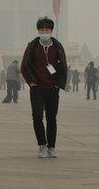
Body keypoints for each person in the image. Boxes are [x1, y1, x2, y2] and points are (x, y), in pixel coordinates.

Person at [21, 17, 68, 159]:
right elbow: (25, 66)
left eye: (47, 30)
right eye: (41, 30)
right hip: (37, 88)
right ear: (38, 31)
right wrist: (31, 82)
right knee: (37, 116)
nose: (44, 32)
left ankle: (51, 147)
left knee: (51, 118)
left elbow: (63, 67)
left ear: (51, 31)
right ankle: (42, 144)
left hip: (52, 88)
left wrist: (59, 84)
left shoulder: (57, 46)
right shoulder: (33, 45)